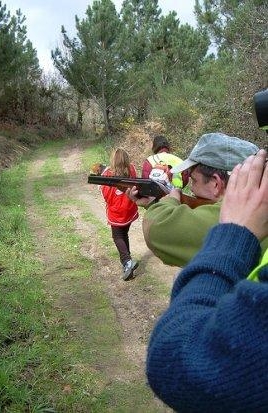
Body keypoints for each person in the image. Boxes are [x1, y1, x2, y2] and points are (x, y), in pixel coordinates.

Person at [146, 149, 268, 413]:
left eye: (194, 179)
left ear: (216, 184)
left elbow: (174, 355)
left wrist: (169, 200)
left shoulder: (227, 217)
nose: (189, 185)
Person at [127, 132, 268, 267]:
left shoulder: (232, 219)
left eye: (194, 180)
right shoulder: (259, 211)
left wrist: (172, 199)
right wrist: (153, 202)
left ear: (216, 183)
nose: (192, 189)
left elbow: (156, 228)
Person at [100, 148, 139, 281]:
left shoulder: (107, 174)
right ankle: (127, 265)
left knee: (117, 236)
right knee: (124, 234)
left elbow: (105, 195)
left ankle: (127, 261)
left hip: (116, 212)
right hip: (129, 210)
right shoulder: (132, 169)